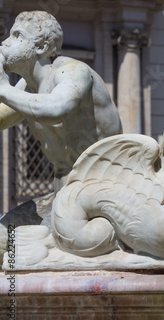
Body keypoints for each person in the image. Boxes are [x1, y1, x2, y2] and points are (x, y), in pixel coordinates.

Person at [0, 11, 122, 192]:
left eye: (17, 35)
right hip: (65, 190)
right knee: (10, 221)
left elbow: (57, 109)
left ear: (41, 47)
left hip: (107, 185)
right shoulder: (27, 86)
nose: (4, 42)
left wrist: (3, 89)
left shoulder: (72, 71)